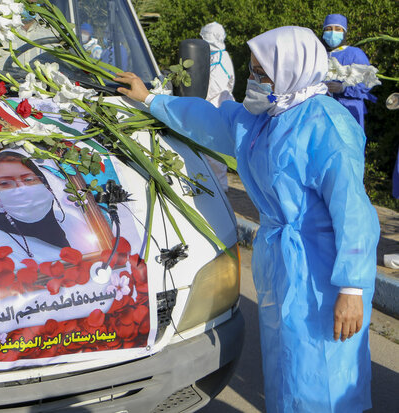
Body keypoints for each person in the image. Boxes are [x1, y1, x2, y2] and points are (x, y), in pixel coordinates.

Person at [116, 26, 379, 413]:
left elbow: (355, 214)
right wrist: (152, 100)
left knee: (322, 367)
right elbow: (210, 120)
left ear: (292, 69)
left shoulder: (327, 126)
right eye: (252, 70)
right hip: (281, 258)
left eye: (262, 72)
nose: (253, 79)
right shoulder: (265, 116)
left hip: (323, 270)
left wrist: (352, 290)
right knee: (287, 362)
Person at [0, 151, 99, 265]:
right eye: (5, 183)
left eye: (28, 179)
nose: (22, 188)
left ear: (45, 184)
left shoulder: (67, 220)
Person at [322, 13, 377, 129]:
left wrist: (344, 88)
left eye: (338, 29)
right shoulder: (319, 55)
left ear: (344, 32)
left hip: (350, 110)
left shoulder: (355, 54)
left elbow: (367, 82)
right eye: (328, 29)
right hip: (324, 111)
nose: (333, 33)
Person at [200, 22, 235, 192]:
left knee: (215, 159)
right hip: (212, 111)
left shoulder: (220, 58)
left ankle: (220, 194)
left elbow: (212, 88)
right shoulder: (215, 56)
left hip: (215, 111)